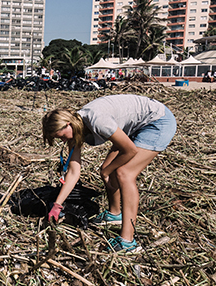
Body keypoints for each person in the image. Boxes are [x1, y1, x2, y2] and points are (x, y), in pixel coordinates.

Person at [41, 94, 177, 253]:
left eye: (62, 137)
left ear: (68, 124)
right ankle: (114, 215)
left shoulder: (98, 121)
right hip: (134, 126)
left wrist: (106, 171)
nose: (64, 141)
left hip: (157, 121)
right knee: (109, 168)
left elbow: (130, 150)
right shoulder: (76, 129)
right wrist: (57, 205)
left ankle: (127, 242)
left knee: (124, 173)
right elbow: (73, 171)